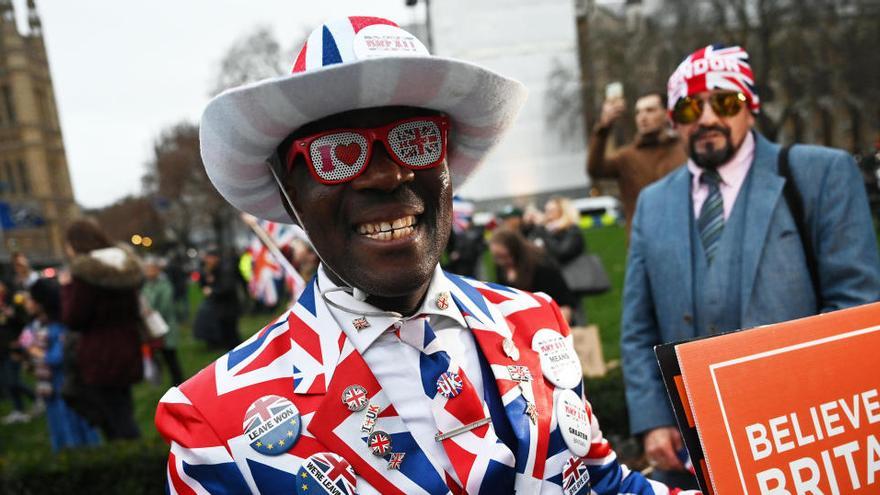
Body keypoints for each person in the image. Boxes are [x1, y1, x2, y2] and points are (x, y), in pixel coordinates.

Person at [155, 17, 700, 494]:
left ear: (446, 166)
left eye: (415, 139)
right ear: (287, 192)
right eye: (336, 153)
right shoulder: (215, 428)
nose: (388, 172)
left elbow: (597, 484)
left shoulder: (533, 322)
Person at [621, 44, 880, 487]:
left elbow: (857, 305)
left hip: (801, 434)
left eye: (724, 102)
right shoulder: (652, 202)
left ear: (750, 107)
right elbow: (638, 325)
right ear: (673, 122)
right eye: (687, 109)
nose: (705, 119)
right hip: (697, 442)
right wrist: (651, 419)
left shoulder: (820, 174)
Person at [60, 218, 144, 440]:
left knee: (115, 419)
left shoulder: (84, 274)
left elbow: (73, 318)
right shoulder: (124, 266)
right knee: (123, 408)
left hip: (99, 353)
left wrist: (67, 286)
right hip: (128, 345)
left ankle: (133, 463)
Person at [587, 92, 686, 236]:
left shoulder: (684, 150)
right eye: (638, 112)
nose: (643, 117)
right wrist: (603, 128)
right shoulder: (626, 157)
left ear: (666, 114)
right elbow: (594, 169)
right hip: (643, 243)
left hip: (682, 237)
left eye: (650, 110)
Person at [25, 278, 100, 451]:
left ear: (42, 303)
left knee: (72, 429)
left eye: (31, 299)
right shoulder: (44, 325)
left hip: (66, 388)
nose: (28, 303)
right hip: (55, 390)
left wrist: (36, 352)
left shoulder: (59, 327)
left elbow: (59, 357)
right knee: (61, 427)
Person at [489, 229, 577, 323]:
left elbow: (564, 303)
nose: (500, 262)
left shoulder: (542, 265)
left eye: (504, 256)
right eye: (496, 257)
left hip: (551, 319)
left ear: (515, 251)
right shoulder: (502, 268)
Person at [142, 256, 184, 386]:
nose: (149, 272)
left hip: (165, 327)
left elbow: (166, 305)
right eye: (147, 269)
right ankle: (156, 380)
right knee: (154, 356)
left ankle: (178, 383)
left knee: (170, 357)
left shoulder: (164, 284)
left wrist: (151, 312)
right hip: (150, 328)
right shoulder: (145, 285)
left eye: (152, 269)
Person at [193, 248, 242, 350]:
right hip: (218, 307)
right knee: (224, 331)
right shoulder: (209, 270)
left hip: (229, 306)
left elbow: (227, 287)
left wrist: (213, 291)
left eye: (210, 258)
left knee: (231, 331)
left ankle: (237, 349)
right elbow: (203, 284)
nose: (208, 260)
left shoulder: (225, 269)